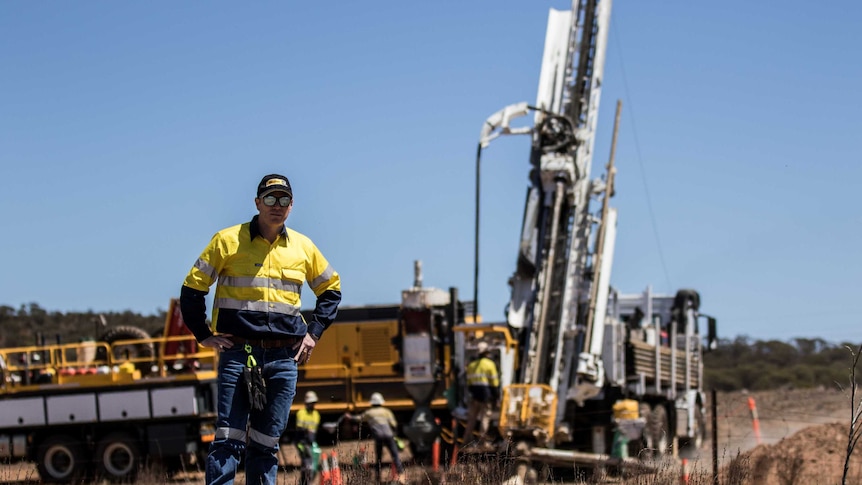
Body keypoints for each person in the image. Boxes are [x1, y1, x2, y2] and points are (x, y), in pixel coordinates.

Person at [179, 173, 341, 485]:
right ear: (257, 203)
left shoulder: (304, 248)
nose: (276, 205)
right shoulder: (227, 241)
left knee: (266, 445)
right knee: (228, 439)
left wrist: (314, 333)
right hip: (238, 353)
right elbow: (192, 288)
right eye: (270, 198)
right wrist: (203, 335)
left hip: (284, 358)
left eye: (283, 199)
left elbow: (331, 289)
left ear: (291, 206)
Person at [348, 392, 406, 484]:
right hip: (389, 435)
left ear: (372, 403)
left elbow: (359, 418)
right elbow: (394, 424)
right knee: (395, 455)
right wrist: (395, 434)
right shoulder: (386, 411)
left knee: (379, 457)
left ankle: (378, 477)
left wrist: (350, 417)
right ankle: (401, 475)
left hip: (378, 436)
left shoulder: (369, 412)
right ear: (381, 402)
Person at [460, 341, 500, 448]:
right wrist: (496, 397)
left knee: (472, 419)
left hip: (475, 396)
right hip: (486, 396)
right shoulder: (489, 364)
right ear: (486, 352)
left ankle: (466, 440)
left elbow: (469, 383)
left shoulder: (471, 365)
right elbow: (494, 383)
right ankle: (483, 442)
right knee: (485, 418)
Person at [295, 391, 321, 485]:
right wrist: (307, 430)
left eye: (313, 403)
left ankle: (306, 481)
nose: (312, 405)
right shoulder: (301, 413)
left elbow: (314, 430)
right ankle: (305, 482)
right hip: (302, 442)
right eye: (311, 403)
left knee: (312, 464)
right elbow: (299, 427)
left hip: (311, 442)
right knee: (307, 462)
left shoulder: (316, 414)